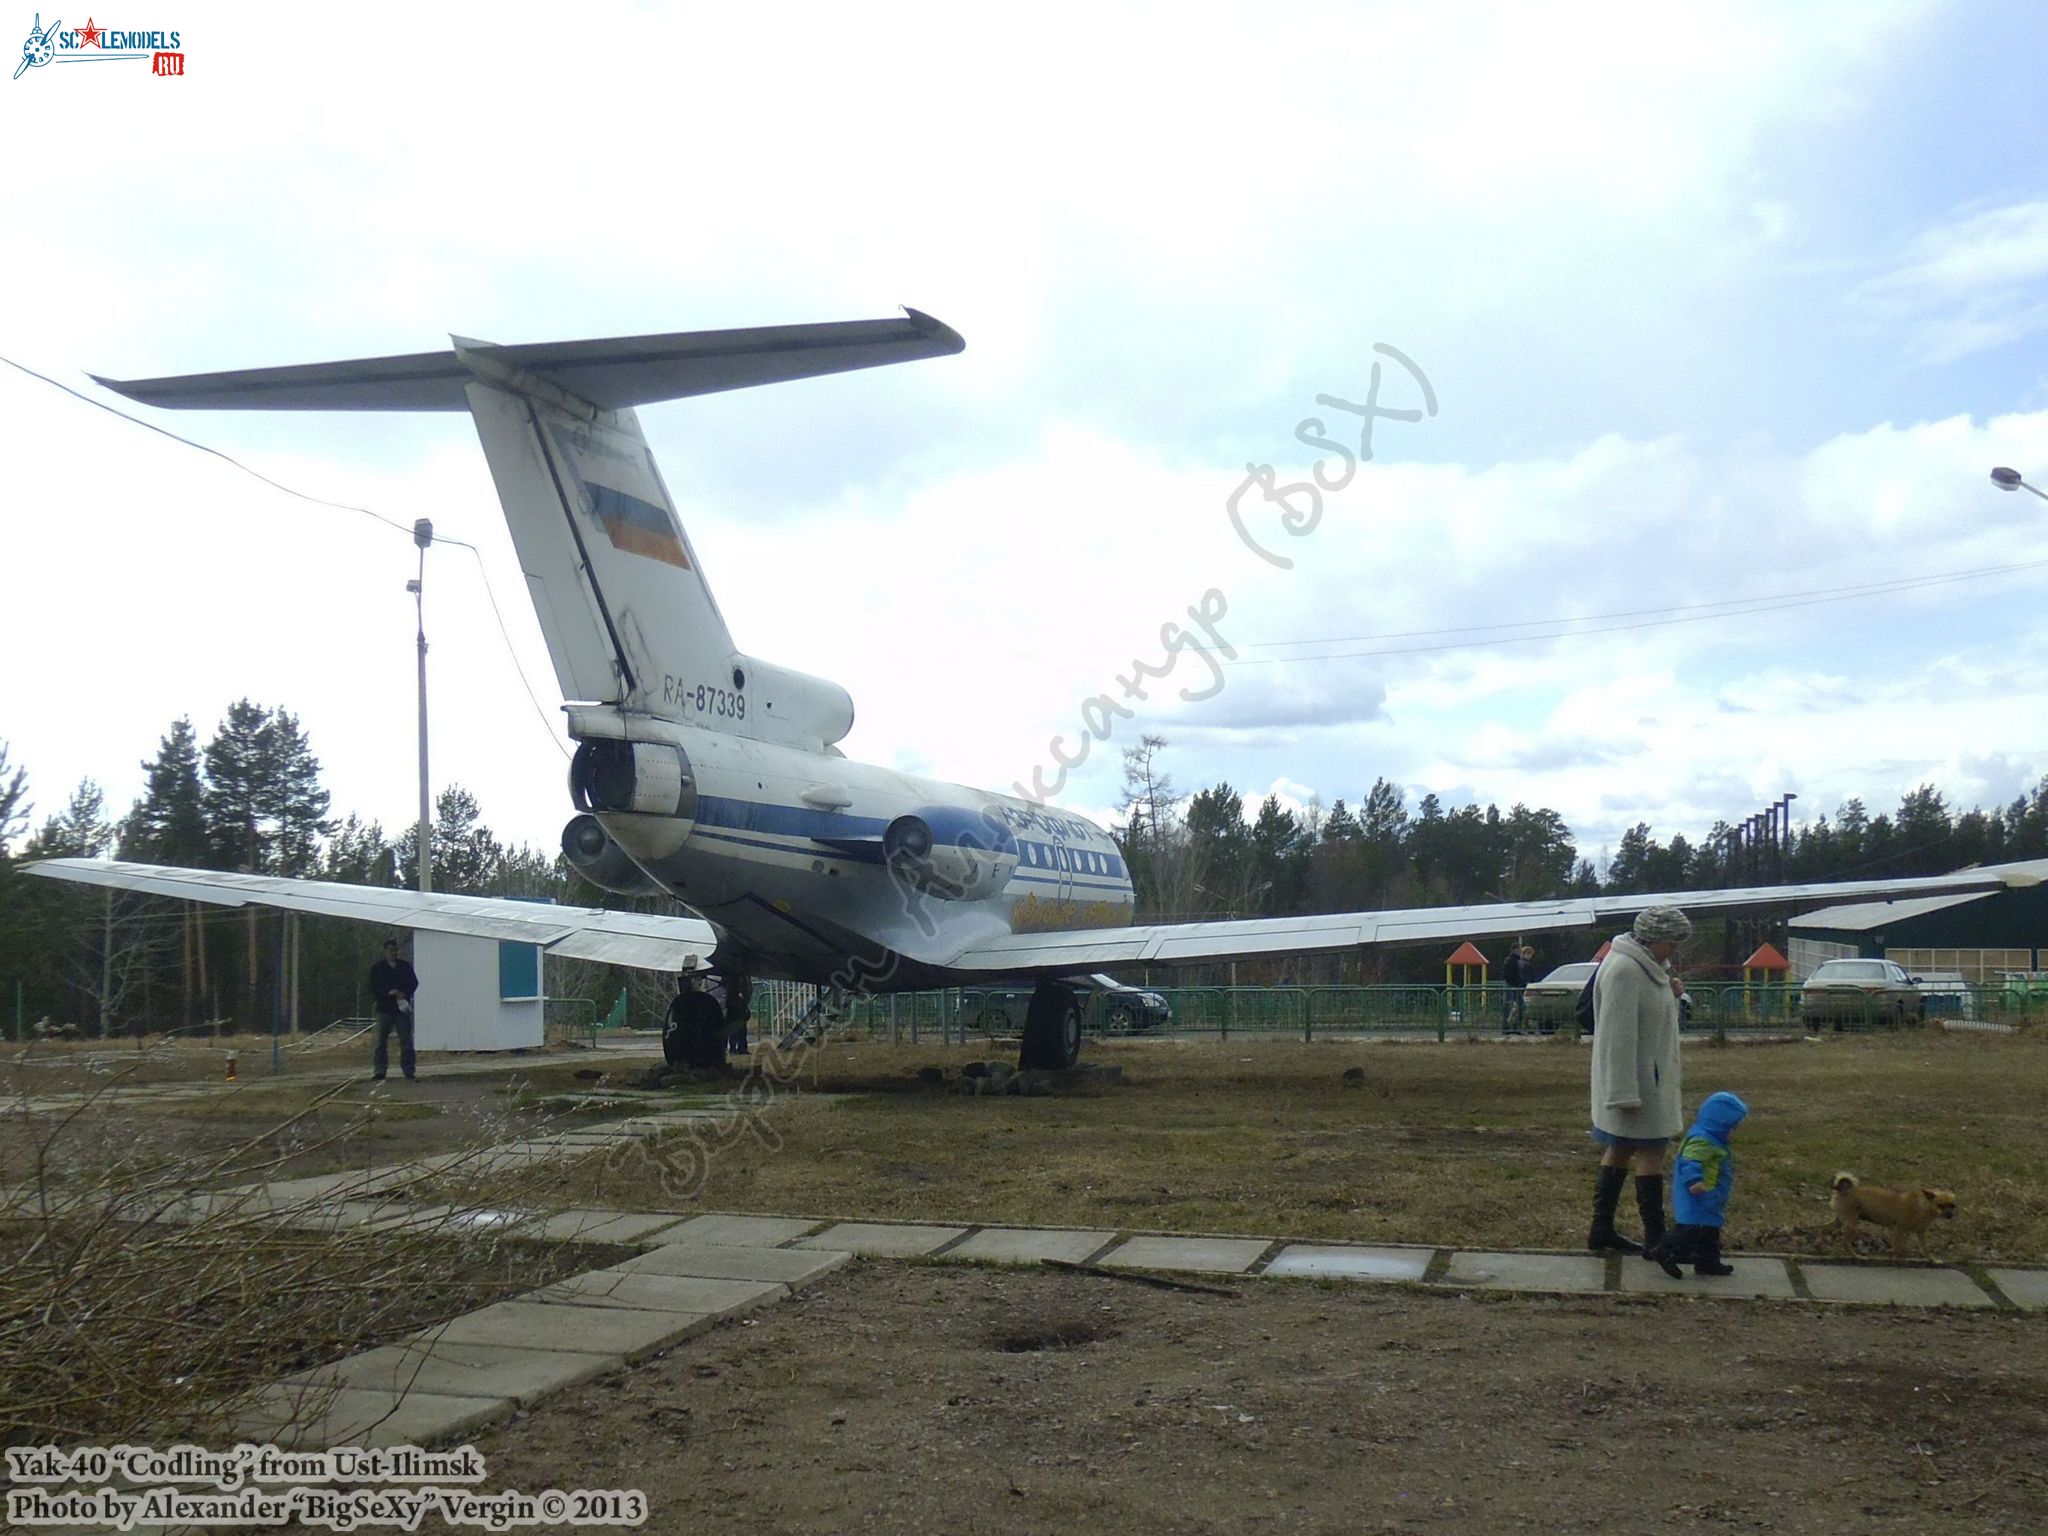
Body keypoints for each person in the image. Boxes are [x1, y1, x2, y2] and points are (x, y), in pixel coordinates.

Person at [1586, 905, 1692, 1256]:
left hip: (1645, 1080)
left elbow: (1650, 1020)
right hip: (1638, 1086)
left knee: (1621, 1149)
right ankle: (1656, 1239)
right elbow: (1617, 1037)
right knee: (1651, 1151)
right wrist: (1622, 1094)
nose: (1675, 949)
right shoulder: (1626, 970)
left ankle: (1602, 1231)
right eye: (1672, 941)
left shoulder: (1647, 968)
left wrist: (1671, 995)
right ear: (1652, 938)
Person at [1650, 1091, 1749, 1278]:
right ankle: (1665, 1250)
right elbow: (1690, 1161)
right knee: (1690, 1231)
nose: (1733, 1132)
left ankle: (1708, 1262)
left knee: (1709, 1233)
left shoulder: (1712, 1139)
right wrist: (1695, 1181)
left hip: (1710, 1197)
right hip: (1698, 1195)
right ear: (1719, 1124)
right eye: (1731, 1127)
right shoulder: (1702, 1141)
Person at [368, 937, 420, 1082]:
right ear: (385, 951)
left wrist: (405, 993)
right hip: (384, 1008)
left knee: (406, 1041)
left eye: (395, 950)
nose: (393, 953)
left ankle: (409, 1070)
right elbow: (372, 987)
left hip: (401, 1009)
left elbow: (413, 983)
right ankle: (380, 1071)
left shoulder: (405, 967)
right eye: (391, 950)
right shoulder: (377, 968)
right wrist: (387, 993)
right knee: (380, 1042)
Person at [1502, 944, 1534, 1031]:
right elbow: (1506, 974)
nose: (1520, 951)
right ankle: (1507, 1027)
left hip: (1516, 985)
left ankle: (1515, 1027)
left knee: (1520, 1006)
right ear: (1514, 950)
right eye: (1518, 949)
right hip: (1511, 984)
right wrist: (1518, 980)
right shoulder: (1511, 961)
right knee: (1509, 1006)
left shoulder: (1517, 961)